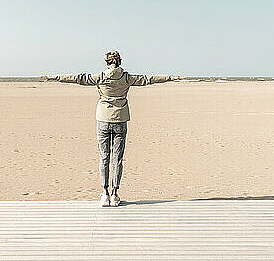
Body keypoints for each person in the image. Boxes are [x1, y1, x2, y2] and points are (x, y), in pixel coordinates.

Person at [42, 51, 181, 207]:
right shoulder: (126, 77)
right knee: (117, 159)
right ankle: (115, 194)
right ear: (120, 61)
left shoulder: (100, 77)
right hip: (120, 119)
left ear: (106, 62)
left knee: (104, 158)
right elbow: (148, 79)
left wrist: (55, 77)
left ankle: (105, 193)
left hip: (103, 119)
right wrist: (170, 77)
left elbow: (78, 78)